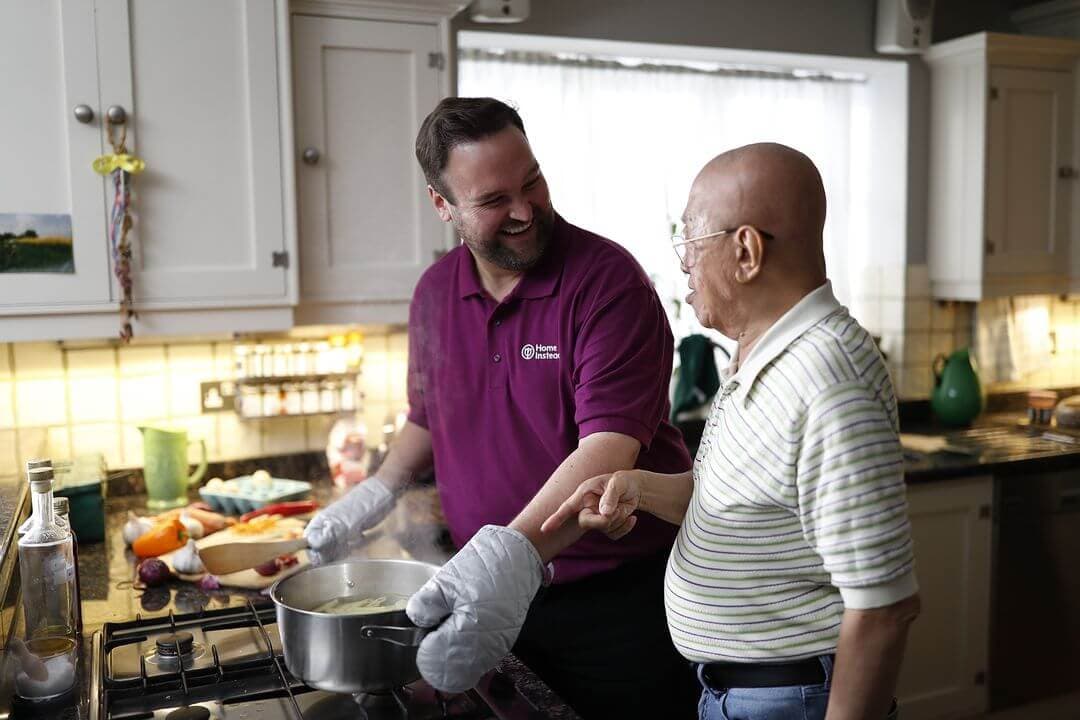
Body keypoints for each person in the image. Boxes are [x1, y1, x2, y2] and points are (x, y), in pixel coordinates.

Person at [303, 97, 699, 720]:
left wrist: (506, 559)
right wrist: (378, 488)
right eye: (493, 200)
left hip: (615, 608)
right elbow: (428, 416)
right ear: (443, 205)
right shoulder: (435, 293)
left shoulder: (608, 283)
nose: (524, 210)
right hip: (485, 600)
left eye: (532, 181)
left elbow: (606, 453)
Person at [544, 143, 920, 720]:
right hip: (739, 692)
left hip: (791, 699)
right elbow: (738, 500)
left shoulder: (825, 377)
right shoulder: (763, 353)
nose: (683, 262)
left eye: (690, 239)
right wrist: (638, 487)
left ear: (745, 251)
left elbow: (885, 606)